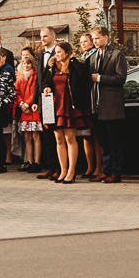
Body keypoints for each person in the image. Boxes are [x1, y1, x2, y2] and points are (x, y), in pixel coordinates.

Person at [42, 41, 92, 183]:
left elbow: (83, 76)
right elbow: (45, 82)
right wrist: (46, 88)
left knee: (70, 139)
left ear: (67, 52)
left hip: (70, 106)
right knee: (58, 139)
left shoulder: (76, 65)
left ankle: (71, 171)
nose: (56, 55)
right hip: (55, 105)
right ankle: (63, 170)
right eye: (55, 52)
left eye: (59, 52)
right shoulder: (52, 66)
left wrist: (72, 59)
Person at [89, 27, 128, 184]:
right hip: (97, 105)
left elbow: (121, 78)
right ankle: (105, 171)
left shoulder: (117, 55)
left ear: (106, 37)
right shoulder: (93, 57)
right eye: (93, 39)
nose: (95, 41)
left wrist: (100, 78)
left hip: (112, 106)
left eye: (97, 38)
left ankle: (116, 172)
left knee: (114, 142)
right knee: (103, 142)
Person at [33, 27, 61, 180]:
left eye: (45, 36)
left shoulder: (58, 52)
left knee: (58, 136)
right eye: (41, 37)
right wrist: (35, 100)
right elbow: (38, 80)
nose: (42, 39)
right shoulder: (41, 54)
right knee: (47, 136)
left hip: (56, 100)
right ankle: (50, 167)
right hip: (43, 100)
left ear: (53, 36)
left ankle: (60, 168)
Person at [76, 32, 102, 180]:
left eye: (85, 41)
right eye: (81, 42)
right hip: (84, 100)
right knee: (86, 136)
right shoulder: (82, 58)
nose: (83, 44)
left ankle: (99, 167)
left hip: (93, 99)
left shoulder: (95, 56)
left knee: (95, 136)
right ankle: (89, 167)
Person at [14, 54, 42, 171]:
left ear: (32, 64)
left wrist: (28, 103)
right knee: (27, 138)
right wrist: (21, 103)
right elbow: (16, 91)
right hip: (24, 110)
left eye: (28, 63)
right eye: (24, 63)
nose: (26, 65)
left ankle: (37, 162)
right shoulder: (19, 76)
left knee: (36, 136)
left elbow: (36, 91)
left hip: (33, 109)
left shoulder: (36, 76)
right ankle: (29, 161)